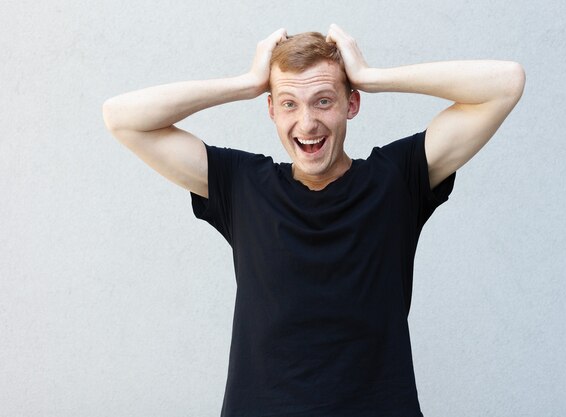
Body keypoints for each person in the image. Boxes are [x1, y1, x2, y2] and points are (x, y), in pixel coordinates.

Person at [103, 24, 525, 417]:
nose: (307, 123)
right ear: (270, 110)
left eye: (324, 100)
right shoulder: (242, 185)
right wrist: (246, 83)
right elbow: (122, 117)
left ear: (350, 104)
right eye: (289, 103)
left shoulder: (397, 180)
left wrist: (373, 76)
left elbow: (505, 83)